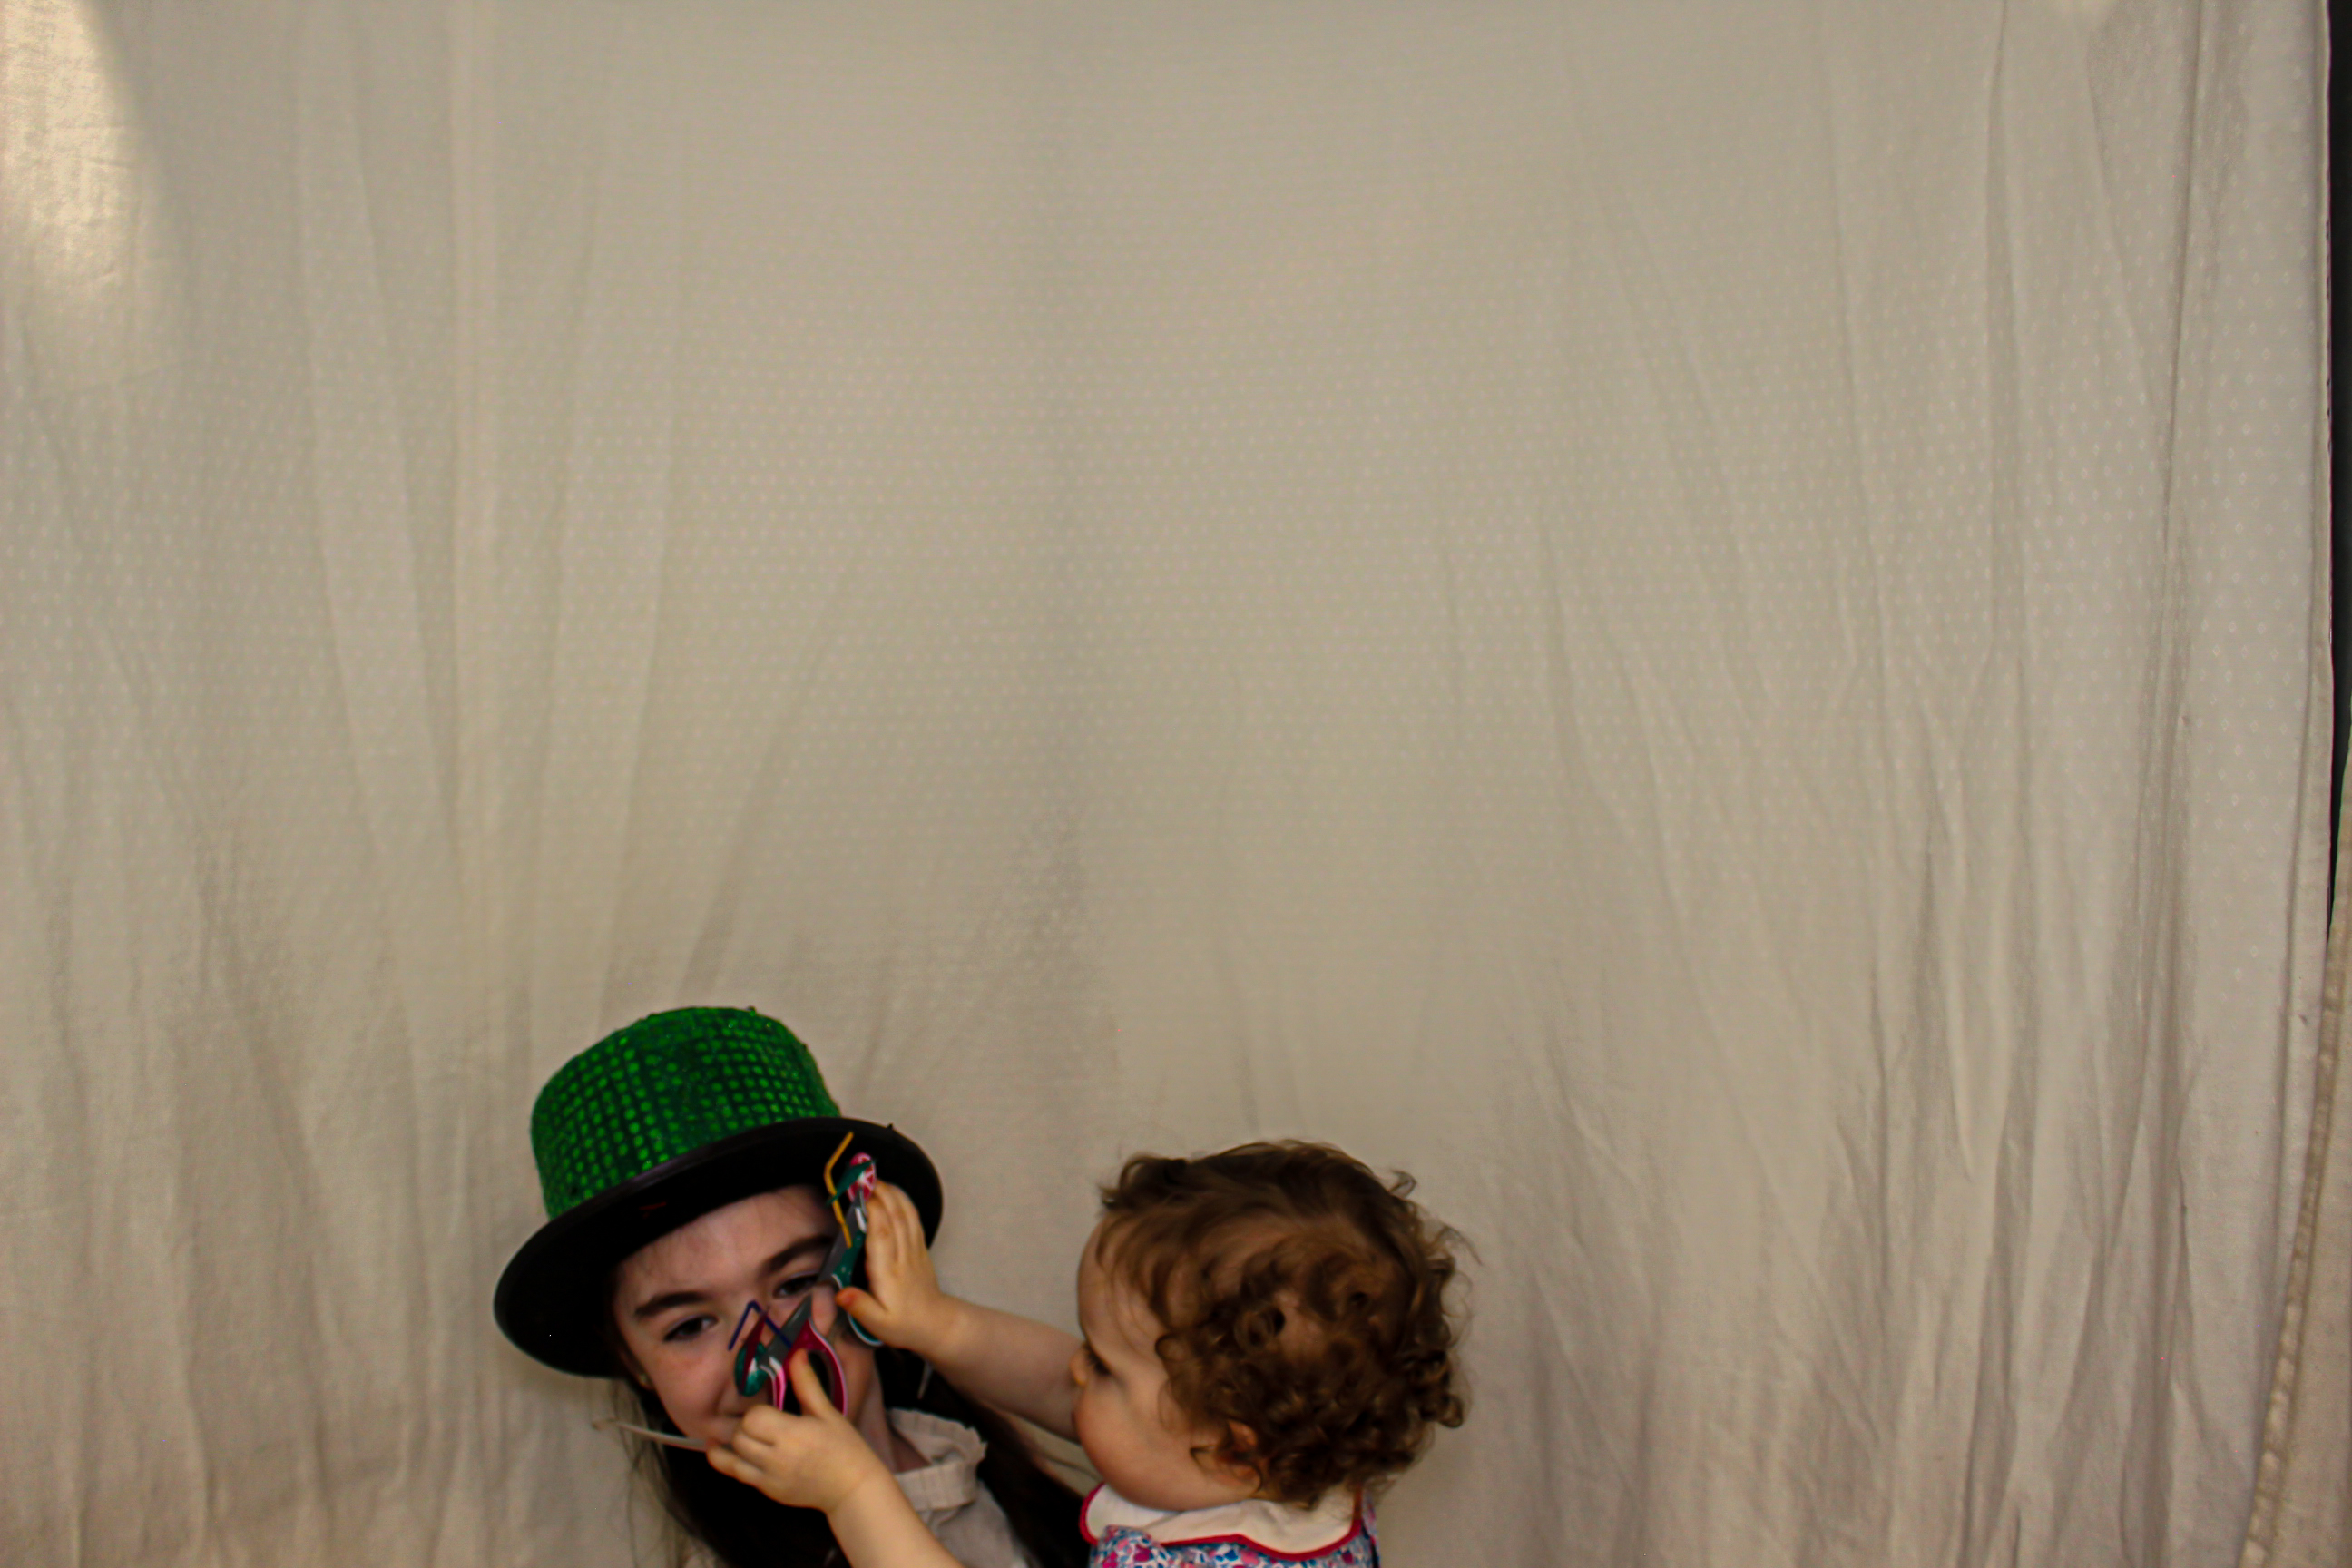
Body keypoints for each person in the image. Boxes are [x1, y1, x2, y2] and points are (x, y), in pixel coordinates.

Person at [495, 1007, 1087, 1568]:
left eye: (797, 1282)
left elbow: (1095, 1391)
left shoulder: (986, 1466)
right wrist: (853, 1494)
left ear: (871, 1261)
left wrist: (940, 1323)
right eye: (690, 1326)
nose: (766, 1354)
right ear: (632, 1360)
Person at [710, 1142, 1467, 1568]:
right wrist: (938, 1325)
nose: (1075, 1369)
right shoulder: (1292, 1466)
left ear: (1233, 1452)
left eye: (1104, 1367)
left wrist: (854, 1493)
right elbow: (1061, 1386)